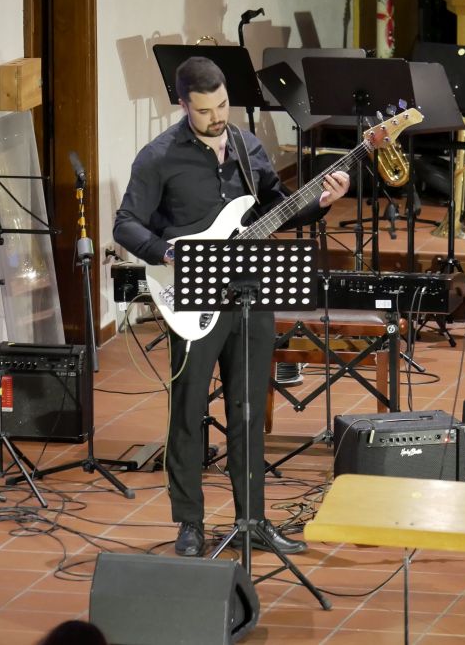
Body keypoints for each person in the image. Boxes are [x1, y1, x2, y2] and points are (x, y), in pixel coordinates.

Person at [114, 56, 350, 557]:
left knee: (247, 408)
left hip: (249, 293)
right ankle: (190, 523)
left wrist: (321, 201)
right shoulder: (158, 157)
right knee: (188, 410)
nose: (217, 117)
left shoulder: (247, 146)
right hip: (191, 295)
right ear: (184, 105)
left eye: (222, 105)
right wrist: (168, 253)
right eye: (204, 111)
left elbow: (277, 209)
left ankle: (253, 520)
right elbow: (126, 224)